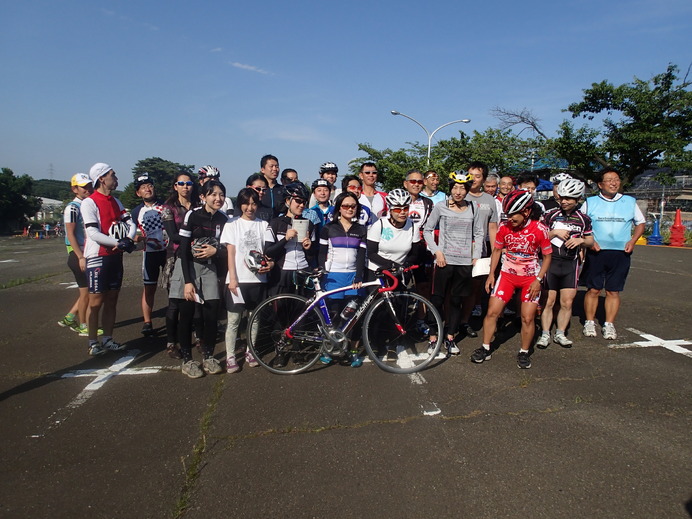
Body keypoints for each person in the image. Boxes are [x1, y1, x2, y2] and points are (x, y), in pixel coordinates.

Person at [472, 190, 552, 369]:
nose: (510, 219)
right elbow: (497, 251)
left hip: (530, 277)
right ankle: (485, 347)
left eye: (513, 215)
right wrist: (491, 274)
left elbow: (547, 257)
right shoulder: (504, 227)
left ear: (526, 212)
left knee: (527, 317)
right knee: (492, 311)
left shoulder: (540, 229)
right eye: (507, 214)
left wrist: (538, 280)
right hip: (507, 275)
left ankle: (524, 352)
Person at [169, 180, 228, 378]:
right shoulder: (192, 216)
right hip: (188, 268)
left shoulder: (223, 219)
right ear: (203, 197)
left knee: (211, 315)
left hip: (210, 269)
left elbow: (227, 248)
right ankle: (187, 359)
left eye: (221, 194)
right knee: (186, 315)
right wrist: (187, 281)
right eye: (213, 194)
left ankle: (209, 356)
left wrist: (216, 250)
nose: (218, 198)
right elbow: (184, 249)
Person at [424, 172, 484, 355]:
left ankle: (450, 336)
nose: (458, 192)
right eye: (455, 188)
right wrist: (437, 252)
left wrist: (476, 256)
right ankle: (433, 336)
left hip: (464, 262)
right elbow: (427, 230)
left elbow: (479, 233)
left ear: (467, 190)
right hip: (444, 261)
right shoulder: (441, 206)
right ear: (450, 188)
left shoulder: (474, 208)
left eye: (462, 188)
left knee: (457, 301)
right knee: (437, 299)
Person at [581, 168, 645, 340]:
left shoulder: (630, 202)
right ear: (600, 184)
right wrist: (590, 242)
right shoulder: (590, 202)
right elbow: (580, 224)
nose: (613, 183)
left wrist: (632, 241)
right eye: (609, 180)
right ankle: (589, 321)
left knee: (613, 290)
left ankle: (609, 324)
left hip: (620, 253)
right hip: (596, 252)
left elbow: (640, 223)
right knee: (593, 289)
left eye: (616, 179)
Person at [80, 163, 136, 356]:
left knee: (112, 299)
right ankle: (92, 342)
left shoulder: (116, 201)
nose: (116, 177)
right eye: (112, 174)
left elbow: (130, 223)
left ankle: (108, 339)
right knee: (95, 302)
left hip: (114, 256)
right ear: (101, 178)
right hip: (97, 256)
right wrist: (117, 242)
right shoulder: (89, 202)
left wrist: (128, 238)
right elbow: (93, 232)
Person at [221, 187, 276, 373]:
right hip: (237, 280)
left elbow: (268, 250)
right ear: (240, 204)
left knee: (255, 318)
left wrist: (270, 264)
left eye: (253, 203)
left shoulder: (263, 224)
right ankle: (230, 356)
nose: (250, 208)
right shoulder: (232, 224)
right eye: (246, 203)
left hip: (258, 280)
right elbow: (231, 253)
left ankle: (250, 351)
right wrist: (233, 279)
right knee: (234, 320)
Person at [537, 179, 594, 348]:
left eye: (569, 198)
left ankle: (560, 333)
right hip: (551, 262)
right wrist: (553, 232)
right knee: (548, 301)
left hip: (571, 264)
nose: (564, 201)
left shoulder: (583, 219)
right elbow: (538, 237)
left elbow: (591, 241)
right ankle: (545, 333)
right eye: (562, 197)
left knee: (567, 302)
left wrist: (580, 241)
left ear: (578, 199)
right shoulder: (550, 215)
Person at [318, 191, 367, 367]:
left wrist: (359, 276)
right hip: (333, 277)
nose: (349, 209)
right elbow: (321, 254)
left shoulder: (361, 229)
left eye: (353, 206)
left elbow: (361, 256)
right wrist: (322, 272)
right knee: (333, 315)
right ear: (339, 208)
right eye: (345, 206)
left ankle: (352, 351)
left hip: (353, 277)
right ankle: (330, 348)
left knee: (352, 316)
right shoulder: (328, 228)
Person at [161, 172, 200, 359]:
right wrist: (193, 239)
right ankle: (171, 342)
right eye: (181, 183)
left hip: (196, 257)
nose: (186, 186)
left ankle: (197, 337)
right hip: (175, 257)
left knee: (196, 301)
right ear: (175, 186)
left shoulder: (198, 206)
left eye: (189, 183)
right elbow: (172, 234)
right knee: (174, 303)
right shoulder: (169, 208)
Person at [57, 173, 95, 335]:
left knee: (87, 290)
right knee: (87, 291)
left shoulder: (87, 204)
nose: (87, 189)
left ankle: (71, 317)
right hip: (77, 252)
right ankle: (84, 325)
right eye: (83, 187)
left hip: (85, 251)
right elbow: (70, 234)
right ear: (74, 189)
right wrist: (80, 256)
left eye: (89, 186)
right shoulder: (73, 207)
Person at [131, 174, 167, 336]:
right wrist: (135, 238)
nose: (147, 188)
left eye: (150, 185)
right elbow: (130, 232)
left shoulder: (166, 206)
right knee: (149, 288)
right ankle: (147, 322)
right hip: (150, 254)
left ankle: (177, 317)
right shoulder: (136, 212)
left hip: (168, 252)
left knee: (174, 287)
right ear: (138, 193)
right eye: (143, 187)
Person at [463, 161, 499, 324]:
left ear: (483, 180)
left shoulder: (489, 200)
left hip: (481, 250)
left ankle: (466, 321)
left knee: (475, 287)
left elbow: (492, 228)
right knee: (457, 287)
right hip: (459, 250)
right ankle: (452, 322)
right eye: (470, 176)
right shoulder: (458, 195)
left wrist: (495, 252)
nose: (474, 179)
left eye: (478, 176)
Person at [265, 182, 316, 296]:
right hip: (282, 273)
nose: (302, 205)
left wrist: (308, 248)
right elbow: (268, 252)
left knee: (303, 311)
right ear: (288, 201)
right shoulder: (275, 223)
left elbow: (313, 255)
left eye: (304, 202)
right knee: (281, 311)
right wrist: (285, 239)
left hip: (303, 271)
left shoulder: (310, 224)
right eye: (298, 201)